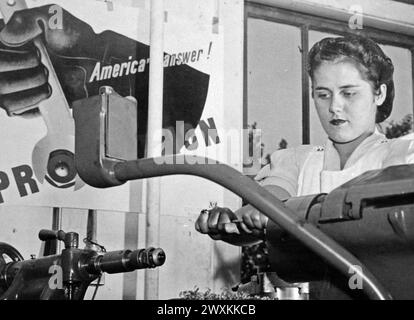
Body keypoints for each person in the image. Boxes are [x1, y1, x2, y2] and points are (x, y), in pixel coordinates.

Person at [195, 34, 414, 246]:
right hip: (302, 284)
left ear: (379, 94)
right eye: (323, 94)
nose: (334, 107)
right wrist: (232, 222)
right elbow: (266, 204)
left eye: (348, 93)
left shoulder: (401, 154)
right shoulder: (297, 160)